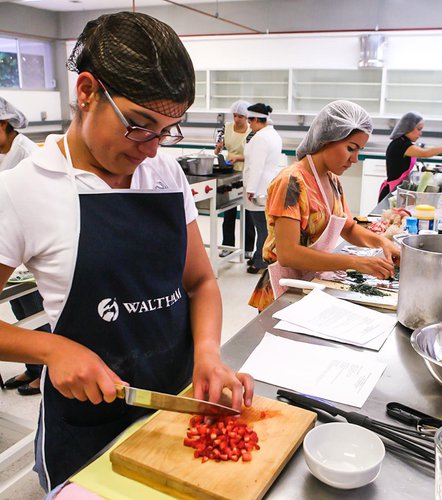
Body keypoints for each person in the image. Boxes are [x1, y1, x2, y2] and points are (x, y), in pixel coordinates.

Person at [0, 12, 253, 491]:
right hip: (89, 425)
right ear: (87, 91)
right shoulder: (21, 191)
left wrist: (207, 353)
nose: (154, 149)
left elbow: (199, 281)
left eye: (167, 130)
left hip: (178, 403)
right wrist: (52, 349)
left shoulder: (166, 175)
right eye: (140, 125)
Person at [249, 100, 400, 312]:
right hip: (284, 290)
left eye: (359, 150)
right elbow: (288, 254)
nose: (355, 159)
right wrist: (355, 262)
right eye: (351, 148)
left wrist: (382, 242)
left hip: (313, 281)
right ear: (327, 139)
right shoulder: (291, 183)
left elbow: (348, 227)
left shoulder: (332, 180)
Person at [0, 97, 47, 396]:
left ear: (3, 124)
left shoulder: (28, 155)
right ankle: (32, 368)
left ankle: (43, 373)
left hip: (30, 249)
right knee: (19, 309)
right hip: (9, 247)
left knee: (34, 308)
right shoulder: (3, 151)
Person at [378, 111, 442, 201]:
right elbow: (425, 153)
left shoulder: (404, 142)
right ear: (408, 128)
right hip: (393, 191)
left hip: (398, 189)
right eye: (419, 129)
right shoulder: (400, 144)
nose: (420, 133)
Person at [243, 103, 283, 274]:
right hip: (268, 185)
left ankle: (261, 262)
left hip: (258, 188)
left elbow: (256, 166)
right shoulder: (273, 134)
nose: (248, 124)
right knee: (264, 226)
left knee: (262, 227)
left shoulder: (260, 138)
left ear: (258, 120)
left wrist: (250, 188)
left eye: (250, 120)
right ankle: (259, 256)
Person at [214, 100, 256, 260]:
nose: (237, 119)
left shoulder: (251, 132)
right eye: (235, 115)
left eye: (240, 116)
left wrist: (238, 157)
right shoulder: (227, 127)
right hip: (229, 173)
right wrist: (218, 148)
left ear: (247, 117)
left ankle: (248, 248)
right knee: (228, 211)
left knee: (248, 212)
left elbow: (253, 154)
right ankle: (228, 246)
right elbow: (221, 146)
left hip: (246, 173)